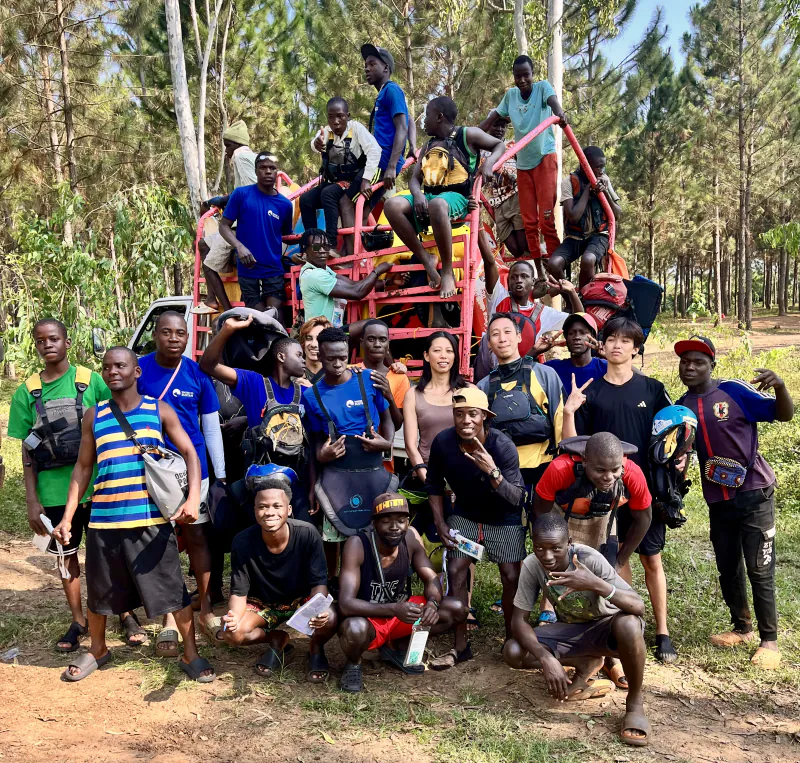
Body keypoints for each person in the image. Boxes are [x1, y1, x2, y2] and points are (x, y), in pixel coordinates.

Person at [52, 347, 215, 683]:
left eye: (121, 366)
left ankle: (191, 652)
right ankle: (98, 649)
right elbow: (83, 468)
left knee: (173, 591)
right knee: (101, 591)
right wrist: (67, 517)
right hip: (104, 521)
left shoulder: (158, 410)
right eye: (108, 367)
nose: (113, 372)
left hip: (150, 521)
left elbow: (189, 452)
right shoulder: (93, 415)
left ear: (136, 372)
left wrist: (193, 497)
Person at [675, 336, 794, 669]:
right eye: (685, 361)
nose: (690, 367)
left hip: (755, 494)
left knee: (760, 567)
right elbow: (679, 450)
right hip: (718, 499)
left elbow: (783, 415)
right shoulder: (682, 406)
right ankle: (742, 628)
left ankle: (769, 641)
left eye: (698, 361)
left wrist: (781, 387)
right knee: (728, 567)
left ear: (712, 365)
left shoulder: (734, 392)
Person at [563, 317, 677, 664]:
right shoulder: (591, 392)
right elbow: (572, 445)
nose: (616, 345)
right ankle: (625, 626)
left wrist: (677, 466)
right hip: (606, 492)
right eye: (610, 338)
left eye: (625, 341)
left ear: (636, 348)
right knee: (615, 559)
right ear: (602, 345)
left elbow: (672, 435)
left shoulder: (652, 389)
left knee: (651, 557)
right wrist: (569, 410)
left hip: (645, 489)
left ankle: (662, 631)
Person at [8, 319, 111, 653]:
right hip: (52, 487)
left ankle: (122, 614)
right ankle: (78, 620)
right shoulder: (27, 390)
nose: (47, 345)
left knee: (106, 554)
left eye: (54, 339)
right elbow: (26, 447)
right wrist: (31, 498)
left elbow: (114, 420)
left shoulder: (90, 380)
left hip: (96, 484)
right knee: (66, 556)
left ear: (67, 342)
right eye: (40, 341)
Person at [503, 513, 649, 748]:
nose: (547, 556)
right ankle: (585, 663)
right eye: (539, 548)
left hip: (608, 628)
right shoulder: (533, 564)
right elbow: (519, 621)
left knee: (629, 623)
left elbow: (638, 607)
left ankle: (634, 703)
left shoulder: (588, 558)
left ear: (568, 542)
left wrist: (595, 584)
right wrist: (547, 658)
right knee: (513, 650)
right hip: (572, 632)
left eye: (555, 548)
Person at [137, 311, 225, 650]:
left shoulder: (198, 373)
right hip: (151, 470)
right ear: (155, 336)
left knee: (198, 535)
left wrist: (219, 476)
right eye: (166, 332)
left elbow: (211, 427)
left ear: (188, 337)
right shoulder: (139, 369)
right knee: (162, 541)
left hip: (193, 470)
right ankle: (169, 616)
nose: (174, 339)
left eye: (181, 333)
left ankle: (204, 608)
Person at [425, 387, 525, 665]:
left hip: (503, 517)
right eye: (459, 415)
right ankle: (461, 645)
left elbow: (517, 499)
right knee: (456, 569)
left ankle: (512, 639)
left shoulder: (502, 447)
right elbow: (433, 484)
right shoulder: (443, 442)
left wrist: (493, 472)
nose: (466, 420)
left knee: (510, 575)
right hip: (465, 515)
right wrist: (440, 522)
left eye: (473, 414)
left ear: (485, 417)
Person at [337, 492, 468, 691]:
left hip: (401, 614)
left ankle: (396, 647)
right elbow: (346, 603)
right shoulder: (358, 544)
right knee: (354, 629)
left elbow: (431, 577)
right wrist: (394, 609)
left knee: (456, 609)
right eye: (386, 521)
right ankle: (354, 662)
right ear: (374, 523)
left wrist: (432, 602)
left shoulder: (410, 539)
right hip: (369, 617)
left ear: (408, 522)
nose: (394, 527)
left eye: (401, 520)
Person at [384, 96, 504, 300]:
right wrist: (418, 194)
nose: (423, 121)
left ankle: (447, 271)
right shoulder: (429, 145)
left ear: (439, 117)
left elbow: (499, 145)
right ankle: (426, 258)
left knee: (438, 204)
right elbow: (415, 180)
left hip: (457, 197)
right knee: (391, 205)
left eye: (427, 115)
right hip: (430, 197)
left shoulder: (468, 134)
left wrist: (489, 163)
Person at [220, 475, 337, 681]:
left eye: (277, 506)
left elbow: (319, 583)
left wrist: (319, 609)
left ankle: (316, 649)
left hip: (301, 601)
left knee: (329, 617)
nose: (270, 512)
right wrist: (233, 619)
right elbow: (239, 593)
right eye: (262, 507)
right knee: (233, 633)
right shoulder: (242, 542)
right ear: (255, 511)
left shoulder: (308, 534)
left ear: (288, 510)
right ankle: (275, 639)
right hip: (264, 604)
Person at [199, 315, 313, 520]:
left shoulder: (306, 393)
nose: (304, 360)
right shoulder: (254, 383)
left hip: (297, 484)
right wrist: (227, 330)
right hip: (260, 486)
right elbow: (208, 365)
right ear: (281, 357)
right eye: (298, 355)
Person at [301, 327, 395, 567]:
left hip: (372, 471)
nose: (337, 364)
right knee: (332, 536)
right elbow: (314, 445)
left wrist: (387, 443)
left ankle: (372, 580)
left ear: (350, 354)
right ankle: (332, 583)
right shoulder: (311, 396)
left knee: (374, 535)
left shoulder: (368, 380)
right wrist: (317, 474)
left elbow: (387, 420)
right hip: (336, 474)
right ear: (319, 356)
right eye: (330, 358)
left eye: (342, 357)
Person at [479, 55, 568, 277]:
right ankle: (539, 273)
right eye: (517, 76)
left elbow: (553, 102)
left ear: (532, 73)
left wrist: (560, 113)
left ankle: (559, 273)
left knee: (546, 219)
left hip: (544, 158)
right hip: (524, 165)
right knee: (529, 223)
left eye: (525, 75)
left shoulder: (542, 88)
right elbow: (492, 119)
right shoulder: (511, 96)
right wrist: (470, 136)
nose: (521, 80)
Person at [477, 312, 565, 514]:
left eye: (508, 332)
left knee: (545, 534)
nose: (502, 338)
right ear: (489, 344)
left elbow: (560, 418)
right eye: (495, 334)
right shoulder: (482, 387)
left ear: (518, 337)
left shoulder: (544, 374)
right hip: (503, 472)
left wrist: (561, 466)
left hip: (544, 467)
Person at [475, 251, 581, 380]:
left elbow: (580, 319)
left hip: (522, 373)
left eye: (524, 276)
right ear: (508, 281)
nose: (518, 280)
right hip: (491, 371)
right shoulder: (499, 298)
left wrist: (572, 293)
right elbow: (490, 262)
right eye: (514, 277)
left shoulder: (543, 313)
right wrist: (479, 230)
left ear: (533, 281)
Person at [303, 97, 382, 253]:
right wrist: (316, 144)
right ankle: (311, 245)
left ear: (348, 115)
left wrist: (366, 180)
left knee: (328, 194)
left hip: (353, 181)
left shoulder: (356, 129)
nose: (336, 121)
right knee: (305, 200)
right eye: (331, 117)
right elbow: (314, 143)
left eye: (340, 116)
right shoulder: (327, 132)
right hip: (334, 181)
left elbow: (375, 151)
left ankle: (331, 245)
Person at [196, 119, 259, 314]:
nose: (226, 151)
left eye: (228, 146)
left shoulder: (241, 158)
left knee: (207, 262)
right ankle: (211, 298)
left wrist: (223, 201)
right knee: (202, 244)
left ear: (237, 145)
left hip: (242, 227)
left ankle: (227, 312)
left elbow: (251, 189)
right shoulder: (253, 158)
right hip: (241, 223)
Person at [219, 151, 294, 314]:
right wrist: (239, 247)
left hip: (273, 269)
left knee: (273, 315)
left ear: (277, 171)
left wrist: (310, 241)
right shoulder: (241, 194)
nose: (268, 171)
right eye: (263, 168)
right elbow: (223, 226)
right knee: (257, 317)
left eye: (272, 168)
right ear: (255, 170)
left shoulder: (285, 204)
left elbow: (287, 235)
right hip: (247, 269)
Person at [548, 146, 622, 289]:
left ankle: (584, 298)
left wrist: (605, 192)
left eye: (603, 167)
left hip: (598, 235)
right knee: (554, 264)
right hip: (575, 237)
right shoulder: (569, 182)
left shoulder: (605, 180)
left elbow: (617, 215)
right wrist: (588, 190)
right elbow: (573, 217)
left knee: (588, 260)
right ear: (585, 165)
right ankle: (572, 298)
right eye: (598, 167)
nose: (601, 171)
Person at [298, 227, 393, 327]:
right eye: (316, 247)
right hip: (321, 334)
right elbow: (357, 292)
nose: (322, 251)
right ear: (305, 249)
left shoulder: (324, 270)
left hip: (333, 330)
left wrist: (387, 282)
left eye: (326, 247)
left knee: (371, 325)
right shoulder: (314, 274)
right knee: (373, 325)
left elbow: (353, 284)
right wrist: (378, 270)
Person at [361, 44, 417, 210]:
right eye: (365, 66)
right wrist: (413, 146)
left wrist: (392, 167)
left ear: (385, 68)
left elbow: (402, 127)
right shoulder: (385, 92)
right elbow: (409, 118)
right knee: (363, 207)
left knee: (356, 205)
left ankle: (356, 236)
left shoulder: (391, 90)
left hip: (384, 161)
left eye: (372, 64)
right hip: (380, 159)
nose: (367, 69)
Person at [480, 116, 528, 260]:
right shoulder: (480, 151)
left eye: (503, 126)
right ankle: (528, 270)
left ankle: (536, 274)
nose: (499, 130)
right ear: (488, 126)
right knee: (513, 247)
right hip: (497, 203)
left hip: (515, 197)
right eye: (496, 125)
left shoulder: (511, 145)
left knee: (524, 243)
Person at [544, 312, 607, 390]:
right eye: (571, 333)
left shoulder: (605, 367)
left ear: (593, 336)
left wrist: (609, 356)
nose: (577, 337)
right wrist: (536, 351)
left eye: (582, 333)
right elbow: (526, 374)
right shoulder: (552, 369)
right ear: (566, 337)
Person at [299, 316, 332, 385]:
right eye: (309, 338)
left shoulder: (335, 375)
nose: (314, 344)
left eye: (319, 339)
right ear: (303, 342)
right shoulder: (293, 373)